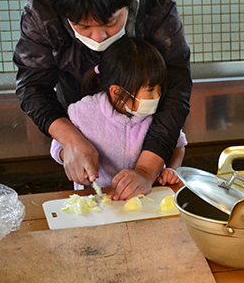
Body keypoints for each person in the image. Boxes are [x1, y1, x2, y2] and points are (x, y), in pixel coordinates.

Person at [13, 0, 191, 200]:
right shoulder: (43, 10)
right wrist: (71, 140)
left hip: (146, 118)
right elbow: (32, 86)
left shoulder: (155, 5)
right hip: (78, 104)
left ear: (127, 4)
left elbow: (176, 88)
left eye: (109, 22)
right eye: (83, 27)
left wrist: (146, 171)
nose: (98, 37)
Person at [50, 37, 187, 190]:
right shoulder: (84, 112)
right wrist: (70, 155)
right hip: (97, 200)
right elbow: (58, 146)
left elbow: (177, 144)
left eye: (159, 87)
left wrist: (172, 169)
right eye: (150, 90)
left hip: (146, 198)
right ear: (117, 92)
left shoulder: (158, 115)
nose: (158, 95)